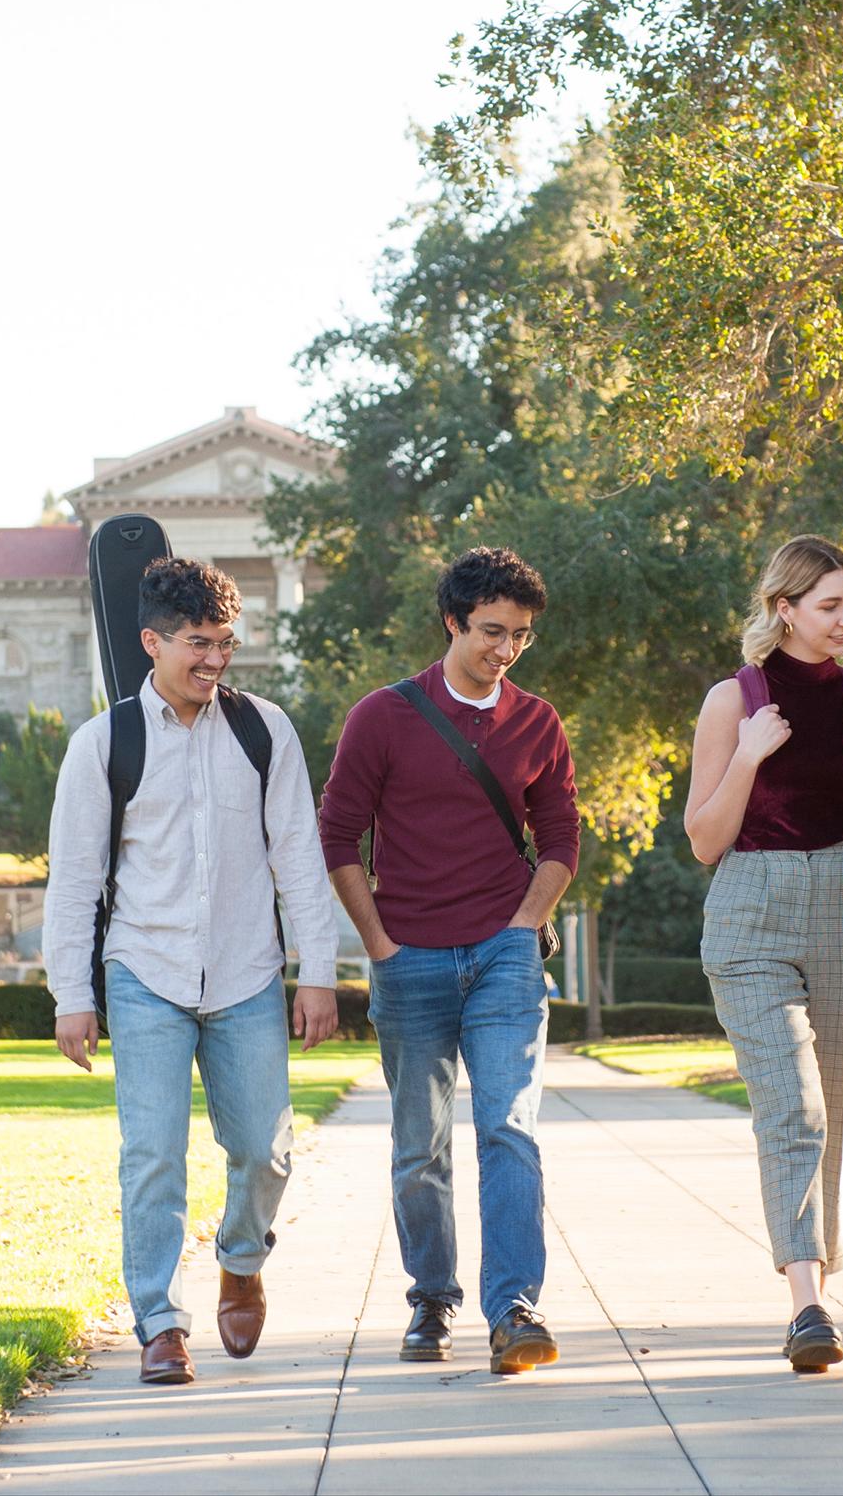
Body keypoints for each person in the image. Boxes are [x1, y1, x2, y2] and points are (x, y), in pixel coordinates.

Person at [44, 558, 346, 1388]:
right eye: (197, 645)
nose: (215, 661)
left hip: (248, 972)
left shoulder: (264, 731)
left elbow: (298, 856)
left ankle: (241, 1258)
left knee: (264, 1150)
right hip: (145, 971)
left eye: (225, 644)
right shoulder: (104, 745)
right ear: (151, 642)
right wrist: (73, 995)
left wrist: (315, 971)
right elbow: (74, 879)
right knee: (152, 1156)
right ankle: (160, 1322)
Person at [316, 547, 580, 1376]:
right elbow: (337, 836)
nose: (505, 650)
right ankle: (432, 1299)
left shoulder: (537, 722)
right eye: (492, 632)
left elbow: (563, 838)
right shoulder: (383, 717)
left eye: (522, 637)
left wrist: (522, 925)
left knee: (508, 1127)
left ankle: (514, 1309)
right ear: (453, 622)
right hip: (411, 960)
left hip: (504, 957)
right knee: (418, 1144)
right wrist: (379, 944)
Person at [682, 534, 843, 1372]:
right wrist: (750, 755)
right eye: (830, 606)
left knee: (840, 1112)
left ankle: (817, 1274)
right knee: (793, 1106)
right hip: (750, 903)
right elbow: (704, 841)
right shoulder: (733, 699)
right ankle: (807, 1305)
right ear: (783, 609)